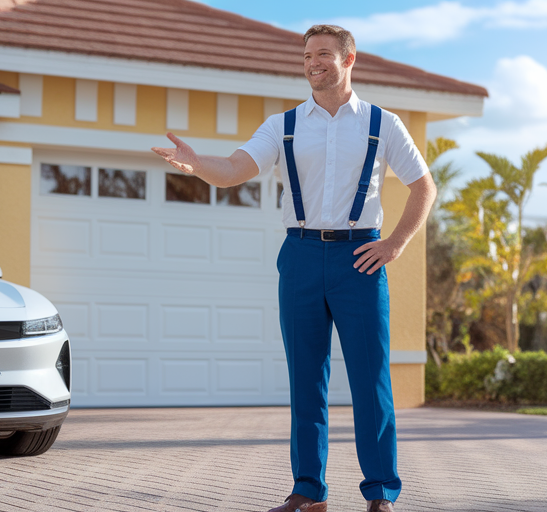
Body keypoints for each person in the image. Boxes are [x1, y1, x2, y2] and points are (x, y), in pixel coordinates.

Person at [151, 24, 436, 512]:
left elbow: (423, 187)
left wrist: (395, 244)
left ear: (349, 60)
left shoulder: (382, 123)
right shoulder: (283, 125)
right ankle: (309, 492)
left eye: (323, 53)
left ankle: (381, 493)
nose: (312, 62)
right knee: (306, 379)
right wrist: (197, 163)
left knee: (371, 381)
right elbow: (235, 170)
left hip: (360, 258)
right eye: (307, 55)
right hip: (301, 255)